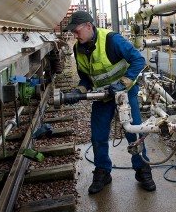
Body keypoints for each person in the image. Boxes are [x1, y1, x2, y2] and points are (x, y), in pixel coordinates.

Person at [64, 11, 156, 194]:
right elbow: (86, 79)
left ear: (89, 27)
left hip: (125, 94)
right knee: (98, 136)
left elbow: (138, 60)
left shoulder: (112, 40)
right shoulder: (78, 49)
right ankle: (103, 172)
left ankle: (142, 170)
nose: (75, 35)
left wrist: (123, 83)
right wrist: (79, 91)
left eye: (76, 31)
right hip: (102, 97)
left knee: (134, 132)